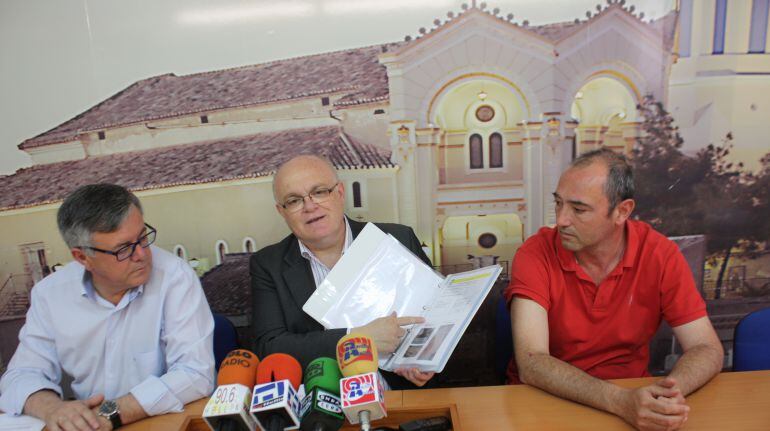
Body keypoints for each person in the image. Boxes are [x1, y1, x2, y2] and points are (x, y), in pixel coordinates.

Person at [506, 148, 723, 431]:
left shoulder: (660, 254)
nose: (561, 220)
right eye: (558, 204)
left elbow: (707, 347)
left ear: (622, 211)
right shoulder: (535, 253)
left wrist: (667, 396)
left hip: (633, 399)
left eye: (578, 209)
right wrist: (620, 401)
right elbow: (532, 362)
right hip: (547, 400)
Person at [0, 184, 215, 430]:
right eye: (123, 249)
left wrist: (108, 414)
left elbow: (195, 374)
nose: (141, 255)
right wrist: (55, 410)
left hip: (160, 422)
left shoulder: (174, 276)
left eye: (143, 238)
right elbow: (21, 375)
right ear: (82, 258)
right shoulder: (50, 294)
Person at [251, 155, 435, 389]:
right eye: (294, 200)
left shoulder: (396, 239)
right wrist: (357, 339)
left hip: (401, 398)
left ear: (339, 192)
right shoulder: (268, 264)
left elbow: (438, 315)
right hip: (320, 404)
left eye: (319, 192)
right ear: (282, 211)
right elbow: (269, 347)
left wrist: (424, 358)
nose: (310, 206)